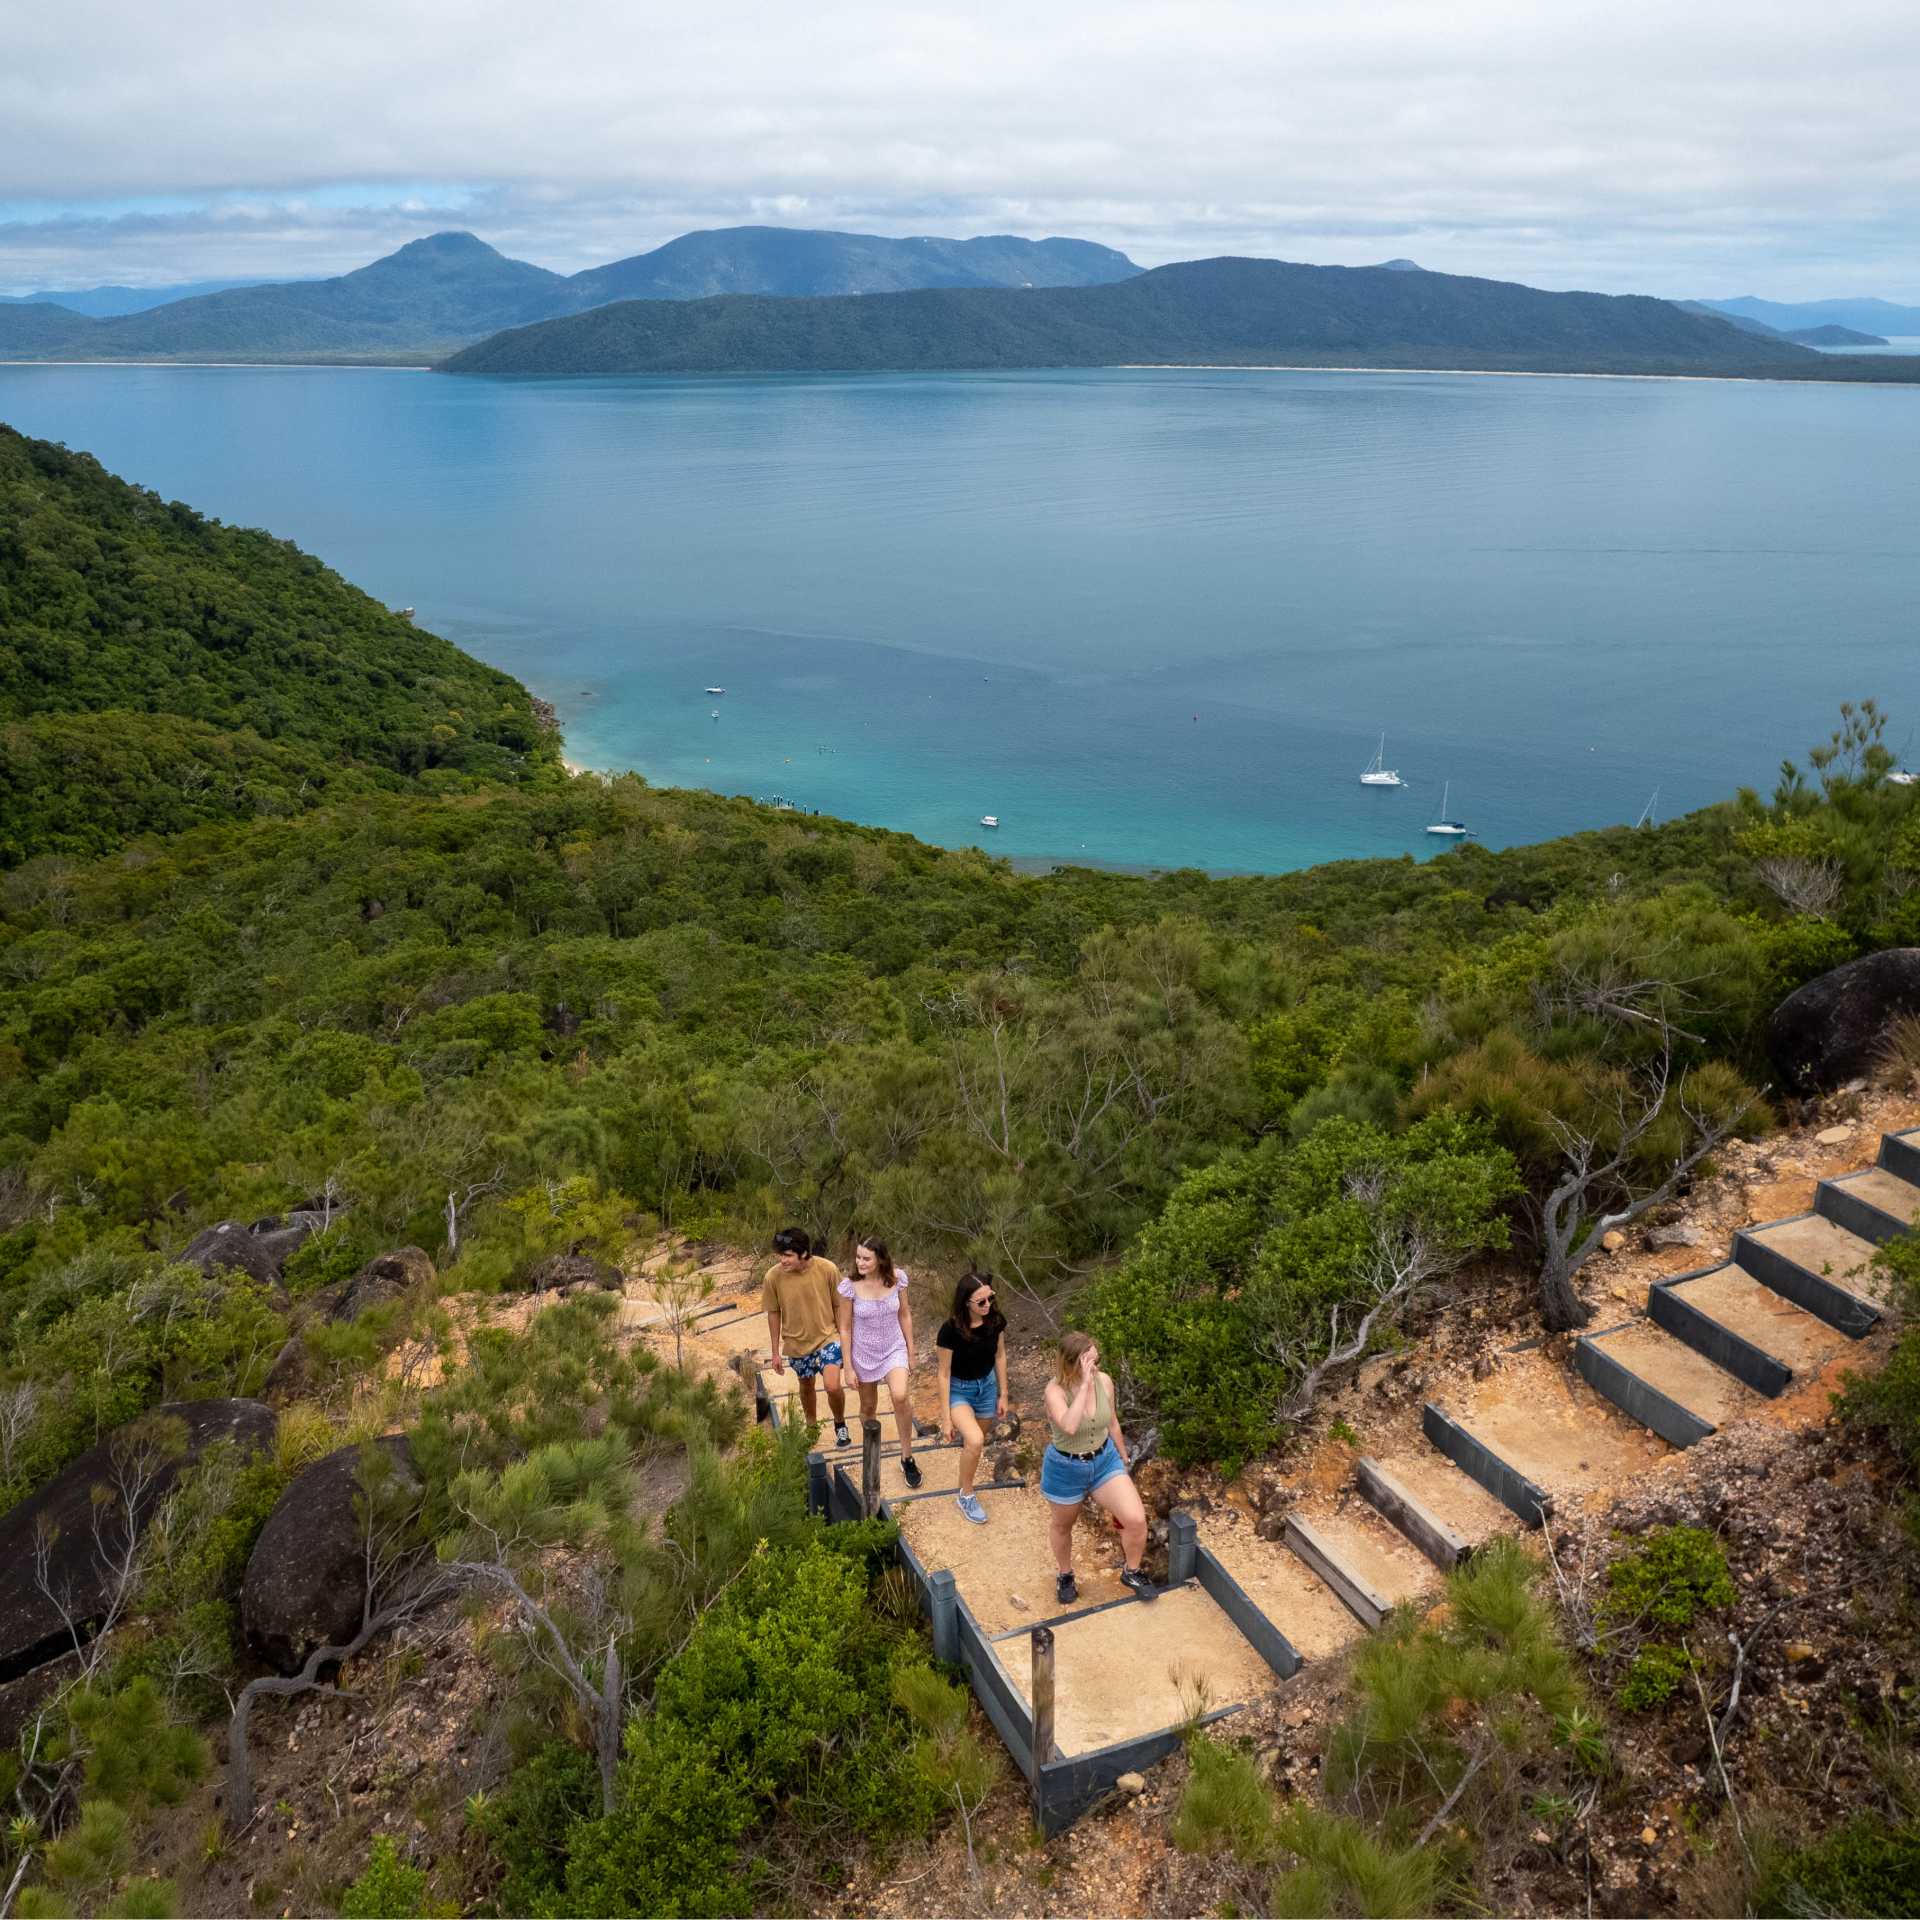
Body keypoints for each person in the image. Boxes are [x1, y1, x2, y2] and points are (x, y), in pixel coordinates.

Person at [1041, 1331, 1156, 1605]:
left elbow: (1112, 1421)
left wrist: (1123, 1454)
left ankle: (1132, 1571)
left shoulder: (1105, 1381)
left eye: (1096, 1360)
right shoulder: (1054, 1391)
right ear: (1072, 1363)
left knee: (1136, 1519)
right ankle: (1065, 1574)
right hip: (1066, 1467)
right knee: (1062, 1525)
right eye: (1089, 1362)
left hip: (1104, 1461)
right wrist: (1082, 1387)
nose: (1096, 1367)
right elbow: (1068, 1426)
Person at [836, 1236, 921, 1488]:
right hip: (863, 1352)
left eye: (866, 1258)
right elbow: (844, 1328)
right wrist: (848, 1367)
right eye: (858, 1257)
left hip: (894, 1347)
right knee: (868, 1408)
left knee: (900, 1395)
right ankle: (871, 1449)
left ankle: (907, 1456)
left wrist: (911, 1350)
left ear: (880, 1259)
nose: (860, 1262)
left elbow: (904, 1314)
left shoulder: (897, 1279)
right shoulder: (849, 1287)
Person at [762, 1227, 849, 1446]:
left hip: (828, 1338)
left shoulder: (827, 1269)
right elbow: (773, 1313)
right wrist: (775, 1352)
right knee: (806, 1386)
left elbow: (839, 1306)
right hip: (796, 1343)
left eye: (788, 1255)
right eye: (780, 1255)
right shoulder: (773, 1277)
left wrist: (847, 1343)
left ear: (803, 1253)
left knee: (832, 1386)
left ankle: (840, 1424)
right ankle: (812, 1426)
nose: (783, 1260)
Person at [936, 1271, 1007, 1525]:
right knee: (975, 1441)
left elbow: (1000, 1356)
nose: (988, 1305)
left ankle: (962, 1484)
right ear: (966, 1303)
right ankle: (966, 1495)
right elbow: (943, 1374)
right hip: (959, 1390)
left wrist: (1003, 1394)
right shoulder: (950, 1330)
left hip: (986, 1387)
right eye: (981, 1302)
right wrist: (946, 1419)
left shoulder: (995, 1321)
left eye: (990, 1298)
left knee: (975, 1443)